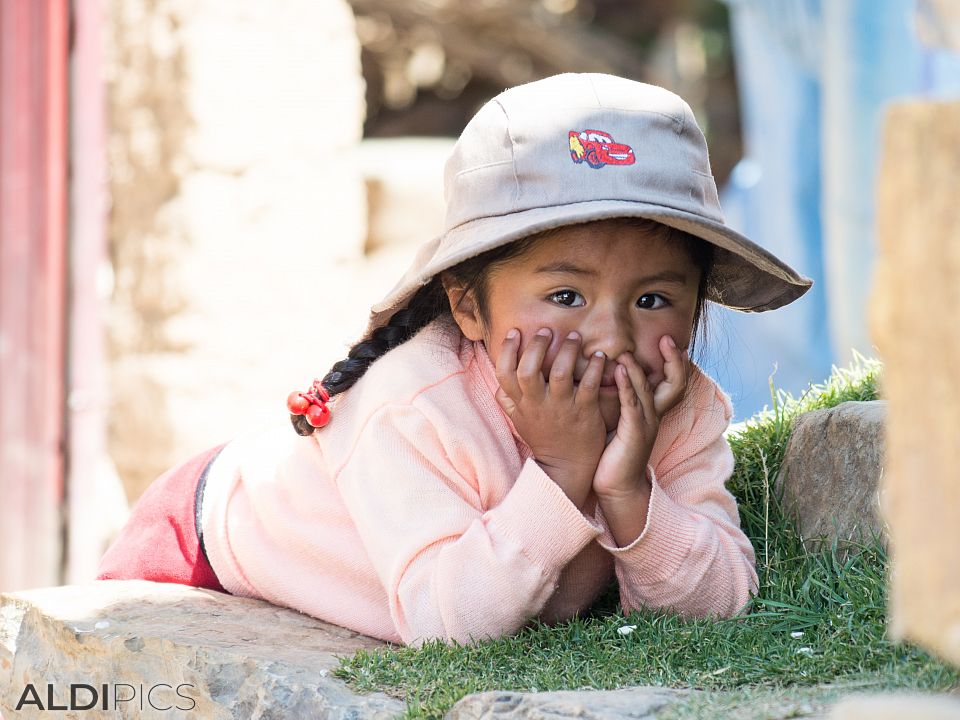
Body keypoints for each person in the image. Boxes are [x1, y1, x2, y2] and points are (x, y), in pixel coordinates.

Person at [97, 73, 812, 646]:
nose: (612, 337)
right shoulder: (415, 403)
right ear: (468, 307)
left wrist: (630, 494)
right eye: (565, 295)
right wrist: (561, 476)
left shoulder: (676, 405)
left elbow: (720, 604)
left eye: (654, 300)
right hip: (204, 543)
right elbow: (445, 625)